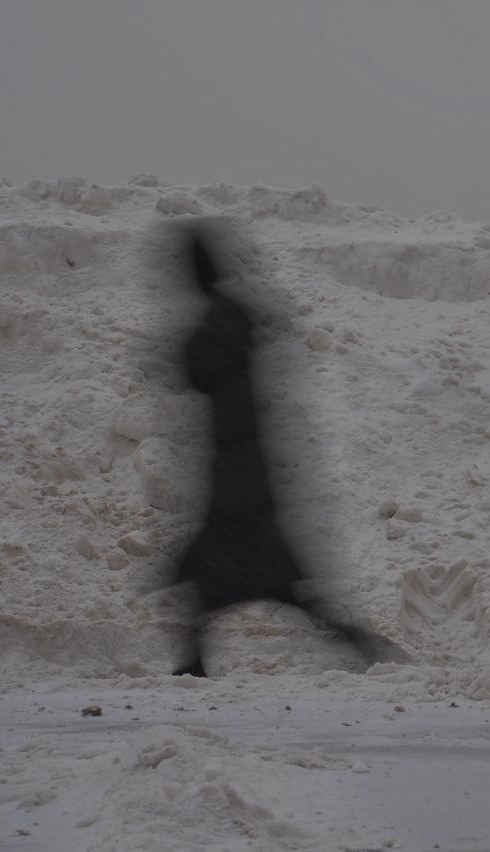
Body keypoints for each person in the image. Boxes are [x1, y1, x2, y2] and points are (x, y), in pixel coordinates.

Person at [168, 222, 405, 677]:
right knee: (249, 579)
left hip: (238, 480)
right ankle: (357, 644)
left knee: (248, 576)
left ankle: (360, 645)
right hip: (243, 472)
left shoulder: (216, 324)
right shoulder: (231, 315)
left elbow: (194, 370)